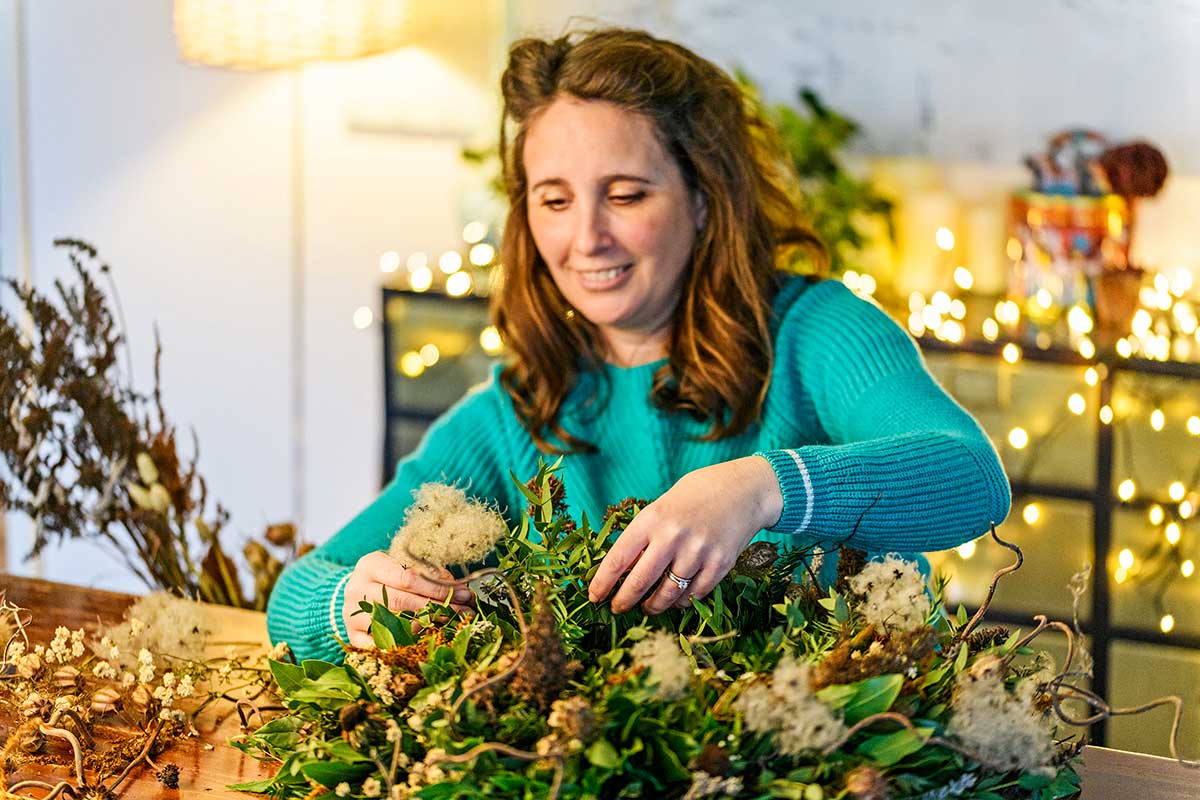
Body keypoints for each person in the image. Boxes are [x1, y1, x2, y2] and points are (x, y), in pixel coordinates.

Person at [267, 28, 1011, 663]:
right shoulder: (517, 413)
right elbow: (297, 593)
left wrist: (756, 489)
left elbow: (972, 477)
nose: (586, 237)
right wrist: (355, 602)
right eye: (554, 200)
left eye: (624, 195)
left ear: (701, 196)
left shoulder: (816, 332)